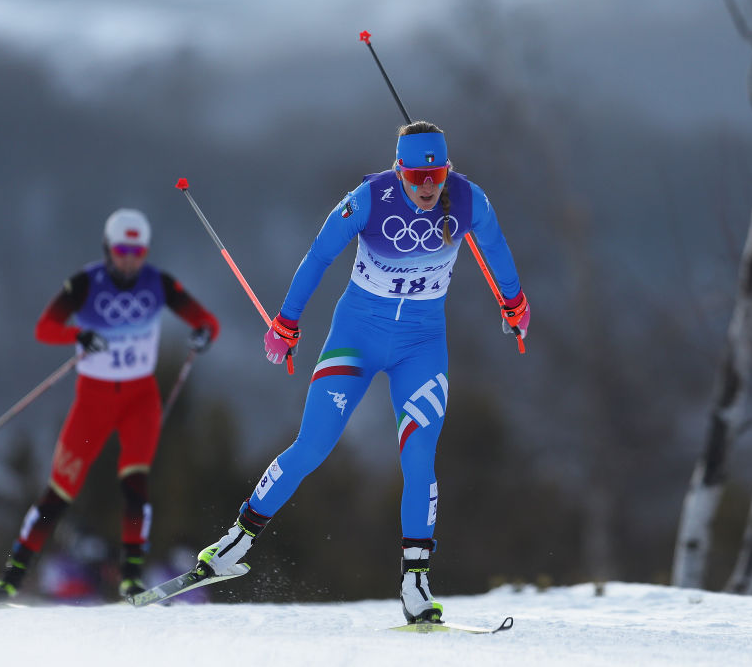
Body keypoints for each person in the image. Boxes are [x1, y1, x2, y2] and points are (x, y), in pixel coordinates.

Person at [192, 122, 529, 624]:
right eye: (416, 176)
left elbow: (497, 247)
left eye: (435, 174)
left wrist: (515, 300)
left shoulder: (468, 199)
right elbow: (319, 256)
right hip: (356, 337)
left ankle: (415, 583)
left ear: (447, 168)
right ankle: (233, 544)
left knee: (419, 459)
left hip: (422, 346)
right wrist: (286, 322)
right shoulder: (369, 198)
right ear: (400, 169)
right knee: (312, 445)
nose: (426, 187)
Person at [0, 208, 220, 603]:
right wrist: (80, 334)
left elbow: (207, 321)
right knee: (59, 491)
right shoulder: (84, 283)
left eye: (138, 251)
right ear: (108, 249)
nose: (130, 258)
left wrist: (202, 336)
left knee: (135, 485)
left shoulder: (158, 283)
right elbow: (45, 328)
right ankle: (11, 576)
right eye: (123, 249)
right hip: (93, 400)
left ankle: (131, 577)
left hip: (139, 399)